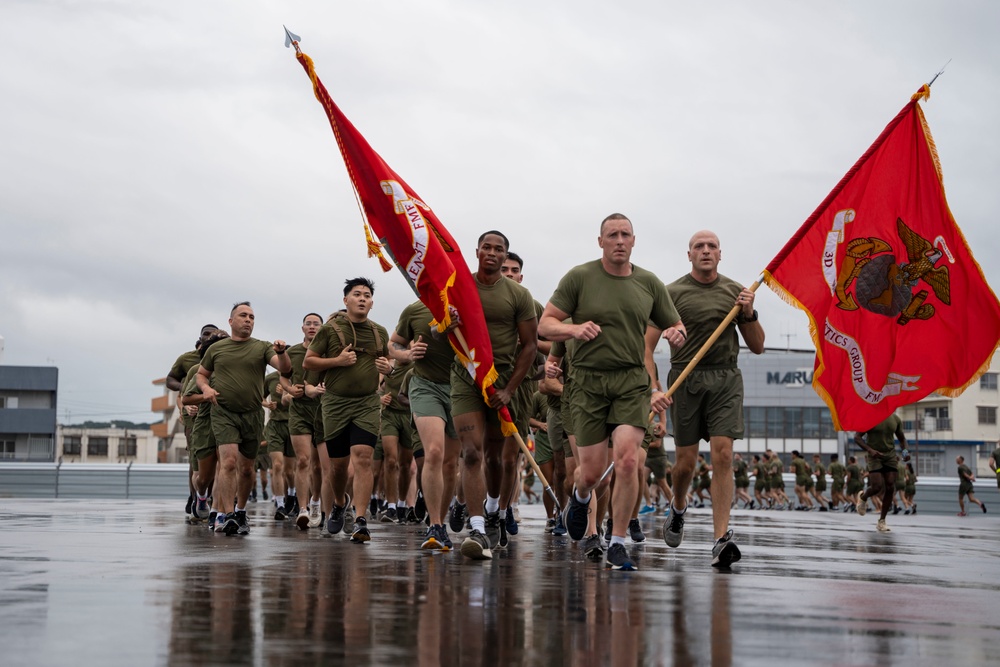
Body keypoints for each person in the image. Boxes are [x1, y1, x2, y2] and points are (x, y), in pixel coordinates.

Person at [539, 213, 683, 571]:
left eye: (625, 235)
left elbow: (675, 323)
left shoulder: (650, 283)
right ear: (600, 241)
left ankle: (617, 541)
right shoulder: (580, 277)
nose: (619, 240)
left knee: (629, 460)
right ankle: (579, 496)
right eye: (612, 235)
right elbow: (545, 324)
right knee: (590, 473)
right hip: (587, 385)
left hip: (631, 383)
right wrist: (573, 332)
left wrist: (678, 332)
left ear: (634, 241)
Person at [653, 230, 764, 567]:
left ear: (720, 253)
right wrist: (654, 386)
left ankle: (720, 537)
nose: (705, 251)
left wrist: (750, 313)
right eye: (698, 247)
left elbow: (758, 345)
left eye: (711, 246)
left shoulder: (737, 292)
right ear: (689, 255)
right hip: (685, 377)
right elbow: (646, 345)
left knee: (724, 455)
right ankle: (678, 506)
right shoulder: (670, 293)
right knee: (685, 463)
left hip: (725, 378)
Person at [453, 231, 537, 561]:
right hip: (466, 378)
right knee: (471, 452)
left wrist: (509, 390)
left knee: (496, 458)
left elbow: (530, 346)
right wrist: (445, 325)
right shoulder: (458, 286)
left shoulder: (519, 294)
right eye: (486, 247)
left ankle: (493, 510)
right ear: (476, 251)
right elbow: (434, 329)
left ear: (505, 257)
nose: (491, 253)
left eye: (498, 249)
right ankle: (476, 527)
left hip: (502, 381)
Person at [304, 279, 392, 543]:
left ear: (372, 302)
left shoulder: (380, 332)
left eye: (367, 295)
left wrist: (389, 370)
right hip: (335, 404)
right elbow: (309, 360)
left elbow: (385, 363)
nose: (362, 299)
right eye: (357, 294)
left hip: (366, 403)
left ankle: (361, 519)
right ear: (346, 301)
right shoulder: (330, 330)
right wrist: (338, 361)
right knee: (338, 468)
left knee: (363, 458)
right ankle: (341, 503)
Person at [196, 302, 291, 535]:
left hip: (252, 415)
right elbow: (201, 375)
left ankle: (240, 511)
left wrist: (281, 352)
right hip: (224, 412)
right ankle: (227, 515)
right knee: (228, 463)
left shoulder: (262, 347)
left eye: (251, 317)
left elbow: (284, 368)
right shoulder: (216, 349)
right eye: (243, 316)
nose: (248, 320)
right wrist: (206, 389)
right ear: (231, 321)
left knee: (247, 469)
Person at [390, 299, 459, 550]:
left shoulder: (467, 300)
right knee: (434, 453)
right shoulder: (414, 309)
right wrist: (406, 354)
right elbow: (393, 343)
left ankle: (442, 519)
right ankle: (436, 525)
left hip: (460, 386)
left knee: (451, 464)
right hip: (424, 385)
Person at [166, 323, 220, 521]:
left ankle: (213, 499)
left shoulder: (221, 356)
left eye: (213, 334)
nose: (209, 337)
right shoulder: (188, 359)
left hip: (217, 412)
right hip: (192, 413)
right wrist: (189, 385)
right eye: (206, 334)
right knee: (196, 457)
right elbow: (169, 380)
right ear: (200, 337)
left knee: (218, 457)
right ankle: (195, 496)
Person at [281, 314, 326, 529]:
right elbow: (283, 375)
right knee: (302, 461)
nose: (312, 326)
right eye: (308, 323)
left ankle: (316, 501)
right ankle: (302, 508)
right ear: (302, 328)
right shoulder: (293, 352)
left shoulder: (327, 351)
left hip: (323, 409)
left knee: (318, 465)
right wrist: (290, 390)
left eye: (316, 323)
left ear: (322, 328)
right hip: (299, 410)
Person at [854, 414, 910, 531]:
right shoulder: (870, 417)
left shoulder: (895, 419)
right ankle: (863, 497)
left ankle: (882, 521)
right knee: (877, 486)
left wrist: (905, 451)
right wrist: (870, 450)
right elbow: (857, 437)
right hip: (874, 455)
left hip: (890, 455)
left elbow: (902, 438)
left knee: (890, 486)